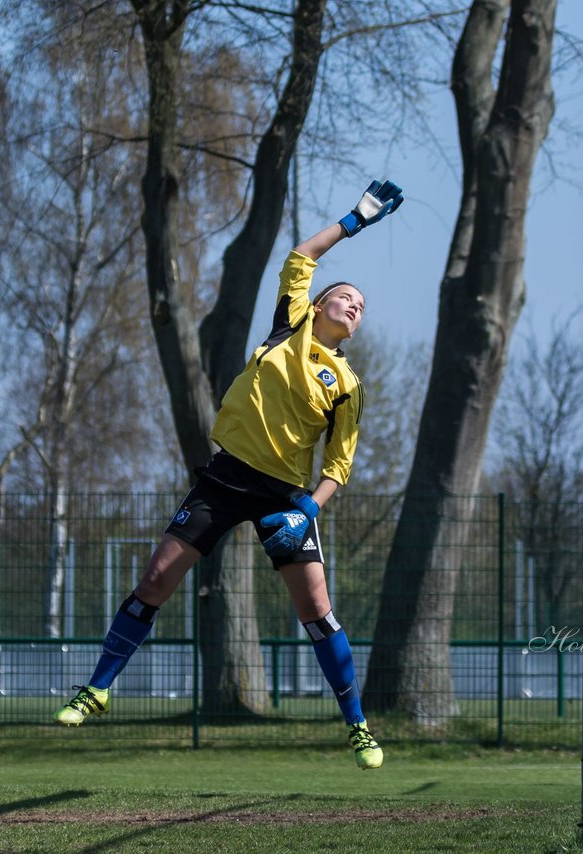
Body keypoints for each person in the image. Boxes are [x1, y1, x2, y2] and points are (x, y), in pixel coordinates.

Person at [54, 179, 404, 771]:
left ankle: (359, 727)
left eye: (362, 308)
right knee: (156, 578)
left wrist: (309, 510)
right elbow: (302, 257)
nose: (355, 307)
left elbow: (338, 467)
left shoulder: (348, 386)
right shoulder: (290, 323)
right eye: (346, 297)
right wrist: (354, 220)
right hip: (224, 478)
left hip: (283, 498)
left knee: (316, 609)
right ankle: (97, 690)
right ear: (318, 304)